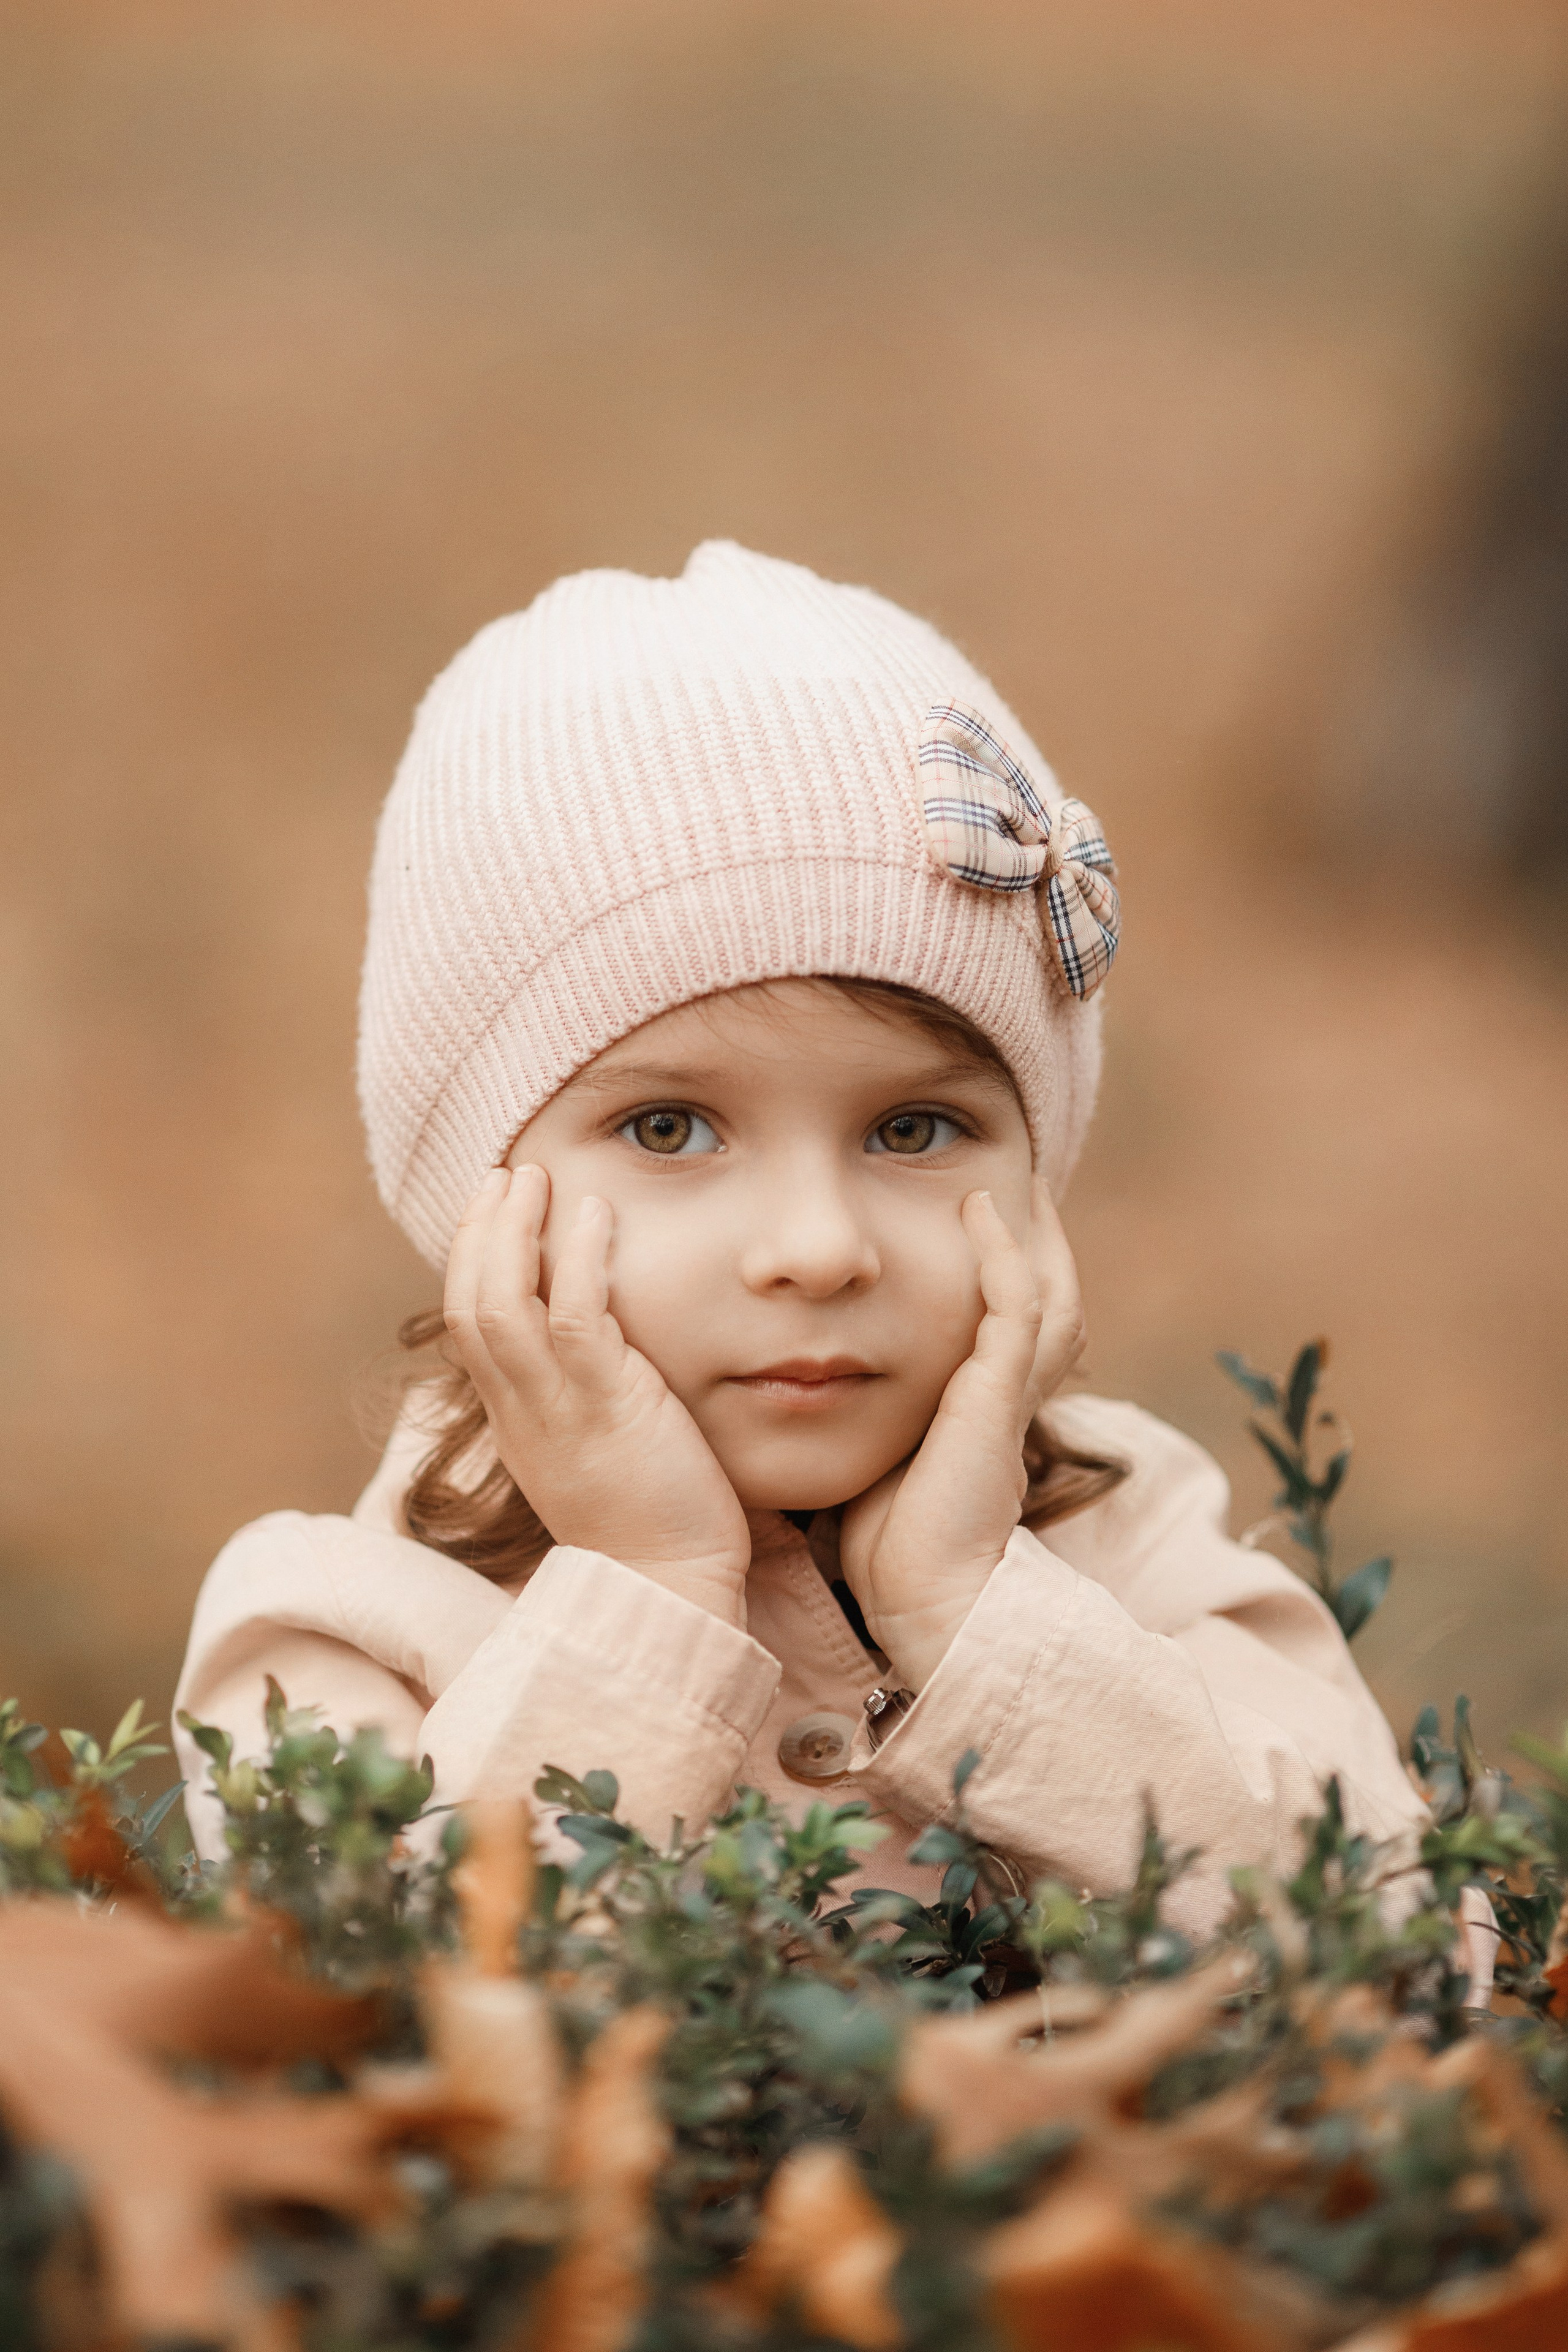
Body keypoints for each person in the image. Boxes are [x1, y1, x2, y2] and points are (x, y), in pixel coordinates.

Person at [173, 540, 1430, 1941]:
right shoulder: (346, 1626)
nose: (818, 1248)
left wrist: (970, 1612)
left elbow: (1405, 1956)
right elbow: (397, 2042)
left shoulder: (1132, 1540)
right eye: (668, 1131)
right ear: (484, 1200)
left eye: (911, 1131)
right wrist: (649, 1594)